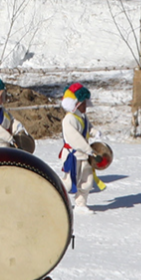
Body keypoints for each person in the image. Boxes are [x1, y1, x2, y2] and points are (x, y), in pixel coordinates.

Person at [58, 83, 100, 213]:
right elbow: (75, 138)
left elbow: (88, 127)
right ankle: (56, 198)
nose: (86, 105)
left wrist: (94, 132)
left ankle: (80, 204)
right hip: (73, 154)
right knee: (69, 181)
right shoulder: (69, 120)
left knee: (86, 180)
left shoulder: (82, 117)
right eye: (83, 103)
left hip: (85, 155)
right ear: (75, 104)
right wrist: (89, 150)